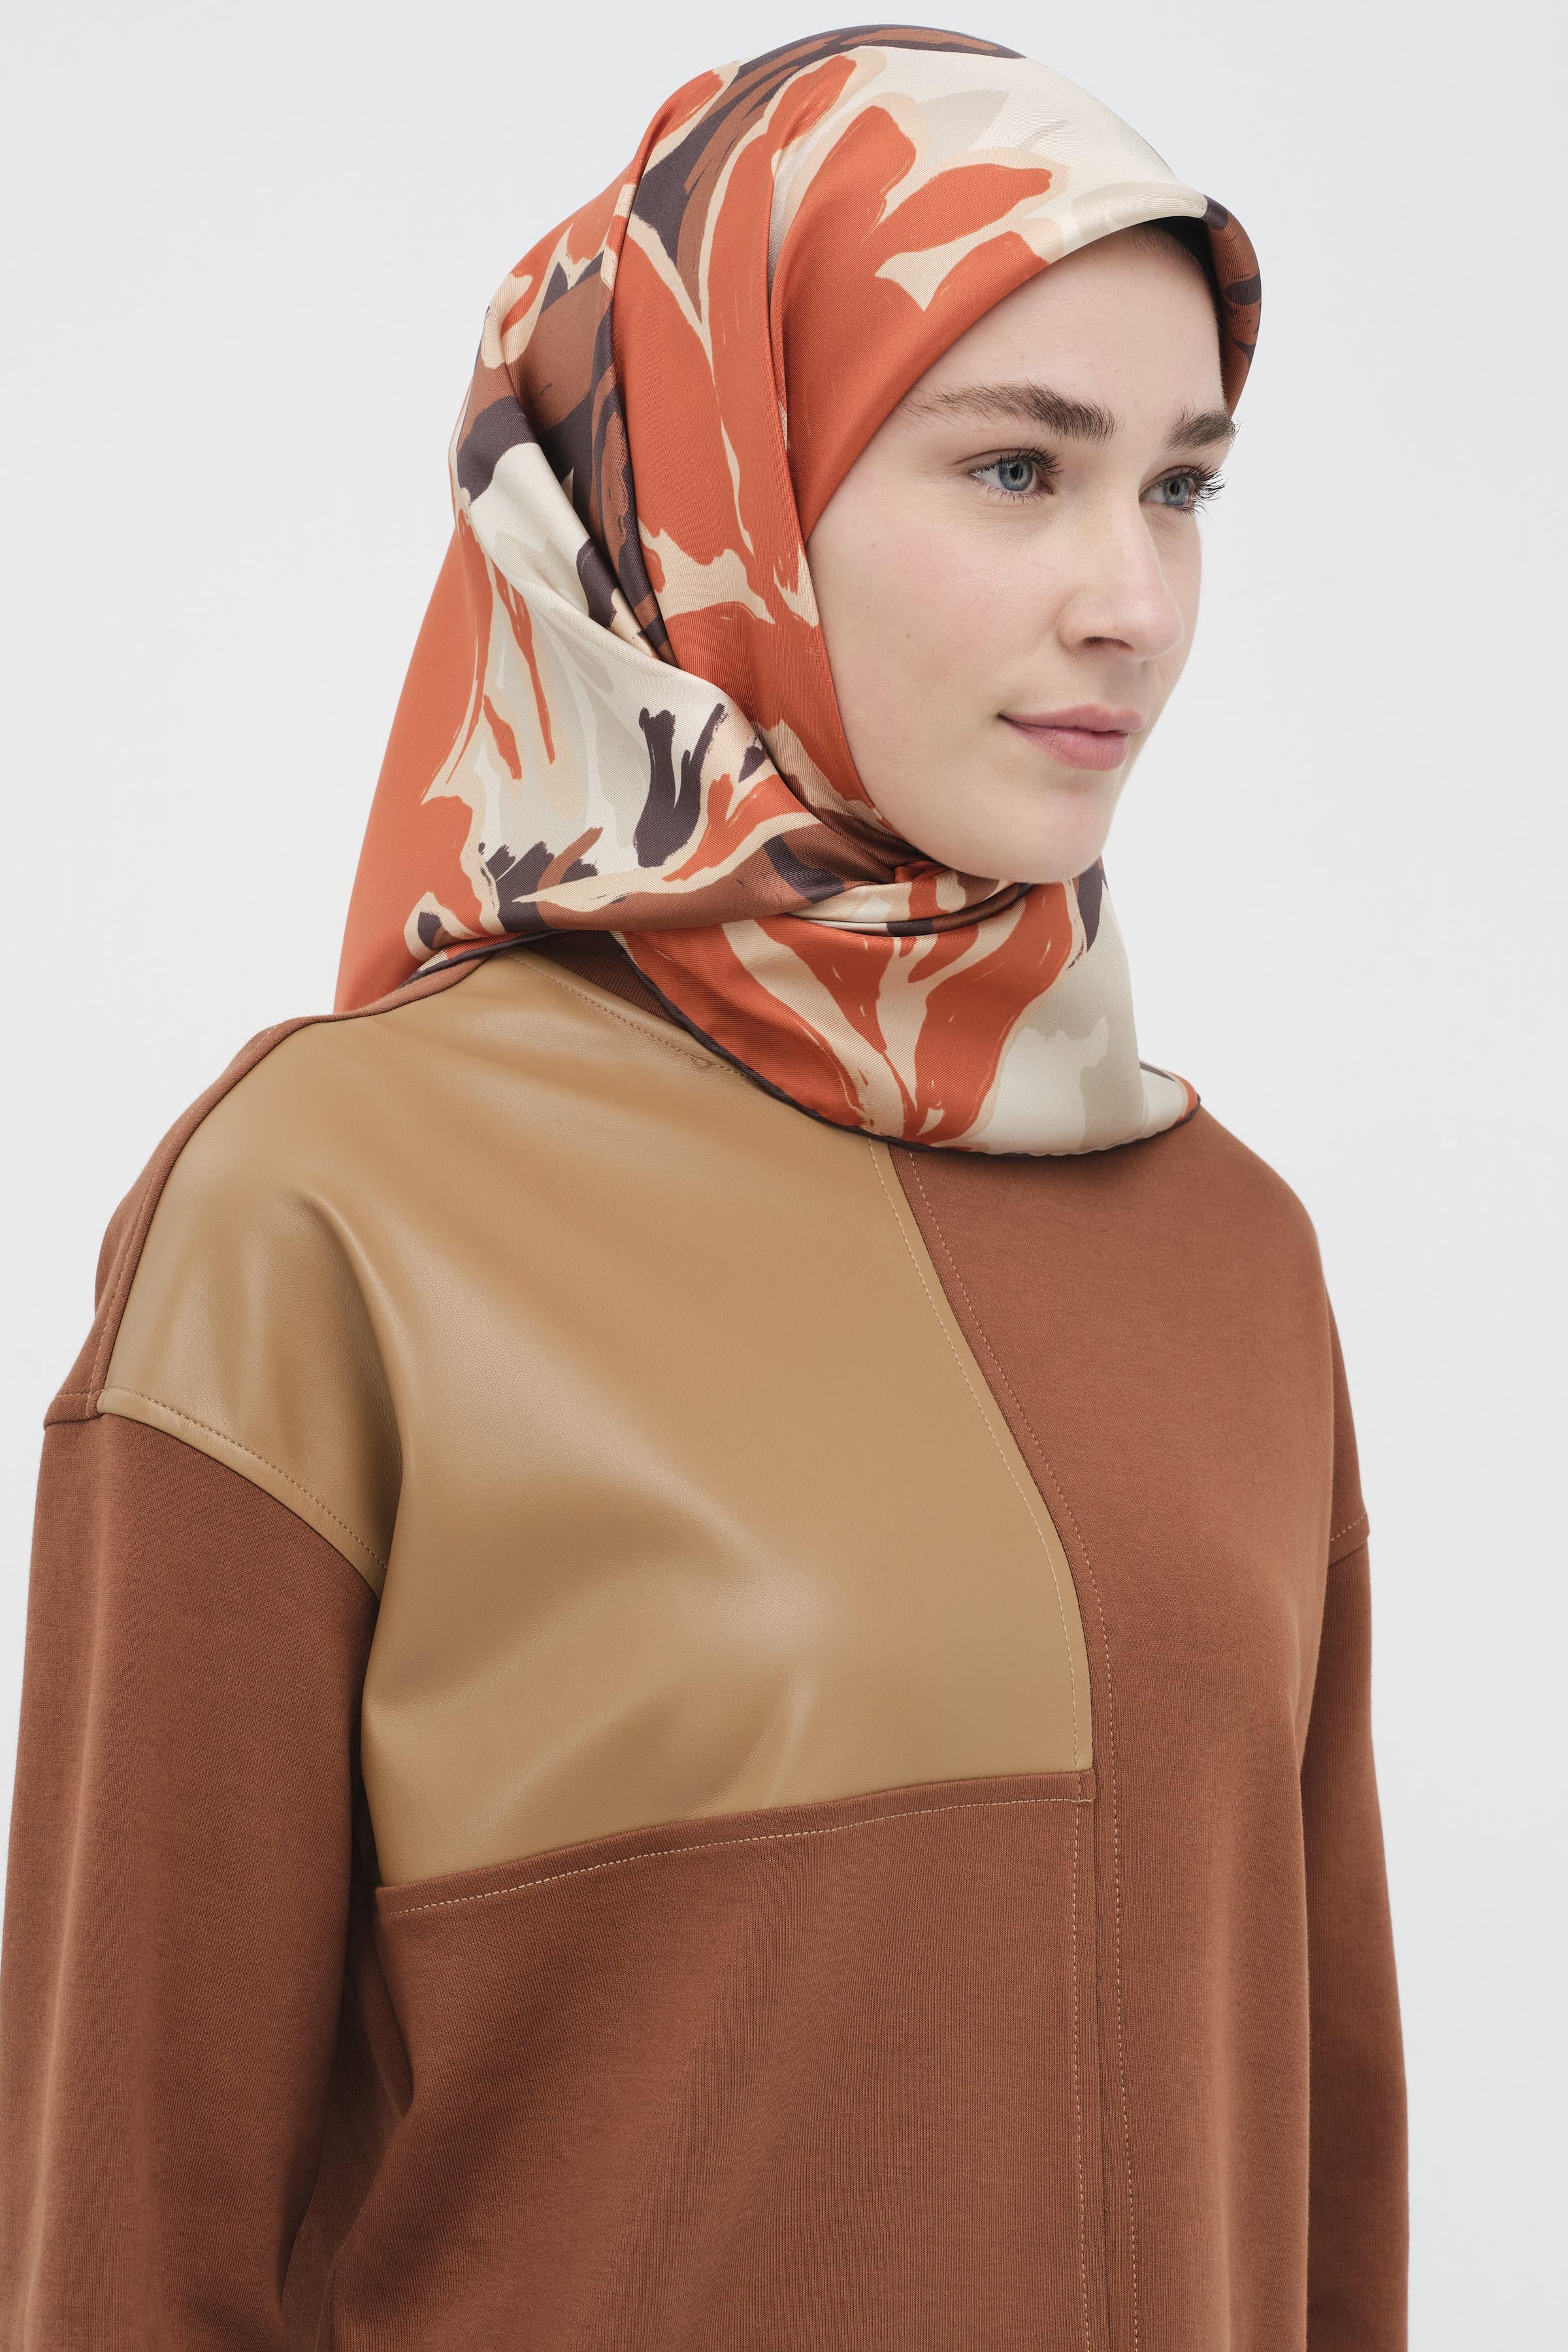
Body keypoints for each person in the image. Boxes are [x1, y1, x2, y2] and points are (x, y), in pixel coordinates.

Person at [0, 24, 1408, 2348]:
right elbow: (122, 2256)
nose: (1133, 601)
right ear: (720, 480)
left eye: (1180, 487)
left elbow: (1326, 2186)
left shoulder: (1231, 1252)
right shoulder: (329, 1215)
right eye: (1016, 467)